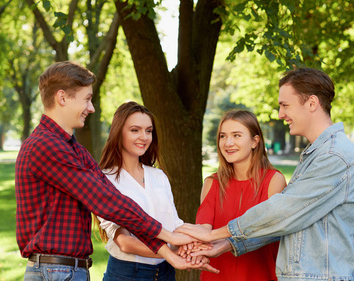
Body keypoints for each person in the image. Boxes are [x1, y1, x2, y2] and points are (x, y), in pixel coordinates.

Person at [15, 61, 217, 280]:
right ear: (62, 98)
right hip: (56, 270)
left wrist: (169, 250)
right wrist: (169, 240)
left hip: (67, 270)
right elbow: (106, 201)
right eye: (87, 99)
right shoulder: (46, 146)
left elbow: (118, 205)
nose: (91, 108)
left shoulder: (75, 151)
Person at [176, 68, 354, 281]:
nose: (280, 114)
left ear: (312, 103)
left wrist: (213, 234)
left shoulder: (335, 156)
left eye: (285, 105)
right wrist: (225, 245)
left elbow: (282, 212)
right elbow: (287, 222)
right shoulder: (318, 155)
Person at [94, 101, 196, 280]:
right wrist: (171, 252)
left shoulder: (158, 176)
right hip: (127, 273)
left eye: (148, 131)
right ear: (119, 132)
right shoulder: (105, 180)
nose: (144, 137)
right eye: (135, 130)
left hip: (166, 273)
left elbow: (174, 224)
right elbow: (125, 242)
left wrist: (194, 244)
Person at [182, 110, 286, 280]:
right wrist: (193, 247)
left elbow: (268, 232)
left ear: (255, 141)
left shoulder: (274, 180)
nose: (228, 143)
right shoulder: (212, 183)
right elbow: (204, 230)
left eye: (236, 135)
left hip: (260, 274)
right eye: (223, 136)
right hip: (217, 274)